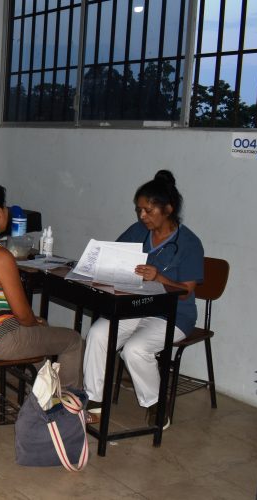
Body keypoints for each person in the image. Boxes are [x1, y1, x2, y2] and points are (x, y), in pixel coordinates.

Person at [84, 170, 203, 427]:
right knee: (97, 334)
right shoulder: (137, 231)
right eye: (139, 210)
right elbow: (114, 256)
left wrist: (160, 278)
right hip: (134, 307)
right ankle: (94, 401)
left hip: (173, 315)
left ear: (168, 209)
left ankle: (157, 404)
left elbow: (186, 292)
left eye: (148, 211)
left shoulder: (190, 244)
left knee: (135, 350)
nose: (142, 216)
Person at [0, 183, 83, 387]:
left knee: (39, 331)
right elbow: (23, 315)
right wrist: (34, 322)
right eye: (5, 206)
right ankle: (68, 410)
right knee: (72, 340)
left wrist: (34, 323)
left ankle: (43, 399)